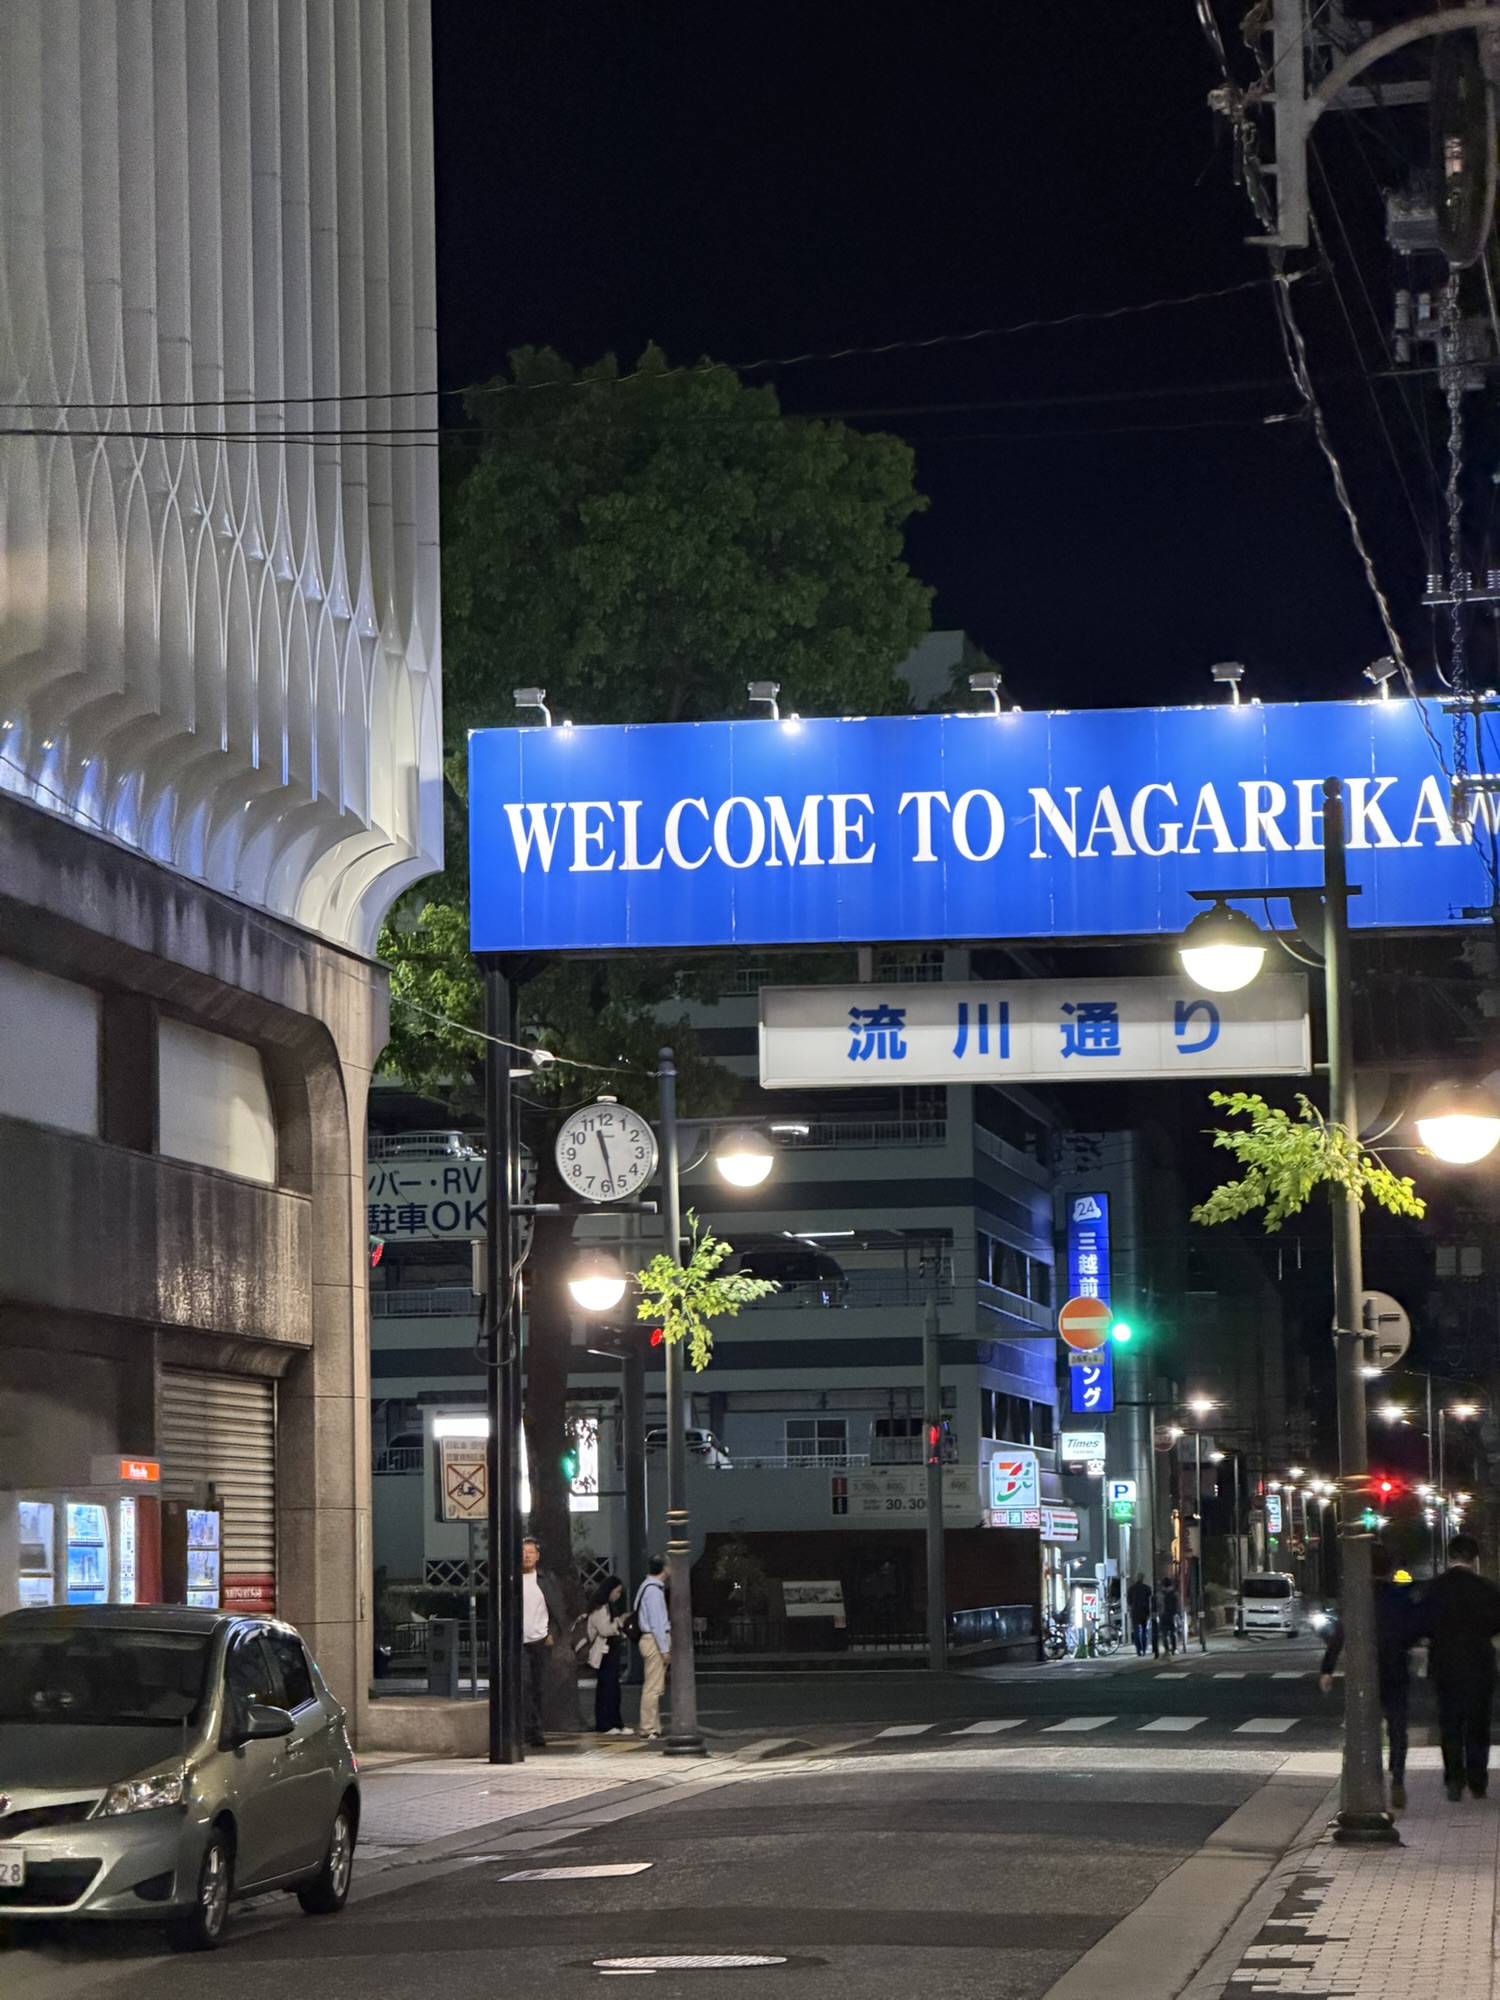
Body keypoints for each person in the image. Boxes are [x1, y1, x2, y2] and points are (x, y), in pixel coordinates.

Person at [1318, 1545, 1415, 1809]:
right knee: (1397, 1727)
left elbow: (1339, 1635)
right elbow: (1412, 1629)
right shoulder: (1399, 1597)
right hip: (1395, 1669)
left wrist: (1327, 1669)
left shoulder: (1356, 1600)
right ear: (1389, 1570)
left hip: (1364, 1672)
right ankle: (1397, 1775)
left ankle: (1369, 1780)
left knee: (1364, 1726)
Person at [1409, 1533, 1500, 1801]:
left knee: (1450, 1723)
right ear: (1474, 1558)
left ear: (1450, 1556)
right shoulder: (1486, 1589)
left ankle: (1454, 1780)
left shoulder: (1435, 1589)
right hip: (1479, 1663)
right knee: (1478, 1724)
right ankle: (1477, 1780)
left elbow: (1422, 1623)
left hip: (1445, 1662)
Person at [521, 1536, 566, 1749]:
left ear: (537, 1556)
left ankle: (536, 1730)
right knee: (523, 1685)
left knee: (538, 1687)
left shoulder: (546, 1579)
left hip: (540, 1641)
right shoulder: (511, 1579)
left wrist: (552, 1634)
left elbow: (558, 1608)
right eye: (523, 1552)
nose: (527, 1556)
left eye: (531, 1552)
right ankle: (525, 1729)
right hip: (519, 1643)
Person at [635, 1556, 671, 1739]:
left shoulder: (646, 1587)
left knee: (654, 1685)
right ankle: (648, 1726)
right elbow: (657, 1623)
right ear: (664, 1568)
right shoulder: (654, 1592)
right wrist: (664, 1649)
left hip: (648, 1639)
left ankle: (654, 1726)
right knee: (653, 1687)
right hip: (654, 1641)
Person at [587, 1576, 629, 1735]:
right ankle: (605, 1723)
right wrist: (619, 1621)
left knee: (613, 1688)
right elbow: (604, 1630)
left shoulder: (608, 1607)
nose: (618, 1595)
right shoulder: (600, 1608)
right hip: (604, 1652)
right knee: (607, 1688)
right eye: (616, 1591)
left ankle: (616, 1722)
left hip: (610, 1650)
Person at [1127, 1573, 1153, 1657]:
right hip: (1144, 1612)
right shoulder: (1147, 1588)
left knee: (1136, 1631)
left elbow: (1129, 1601)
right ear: (1143, 1578)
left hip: (1135, 1612)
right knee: (1144, 1631)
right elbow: (1150, 1600)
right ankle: (1144, 1649)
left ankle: (1138, 1650)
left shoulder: (1131, 1588)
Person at [1159, 1575, 1181, 1657]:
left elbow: (1159, 1605)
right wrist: (1179, 1614)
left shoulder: (1161, 1594)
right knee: (1173, 1632)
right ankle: (1174, 1648)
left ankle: (1167, 1649)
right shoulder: (1175, 1593)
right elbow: (1178, 1605)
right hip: (1173, 1615)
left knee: (1164, 1633)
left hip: (1163, 1615)